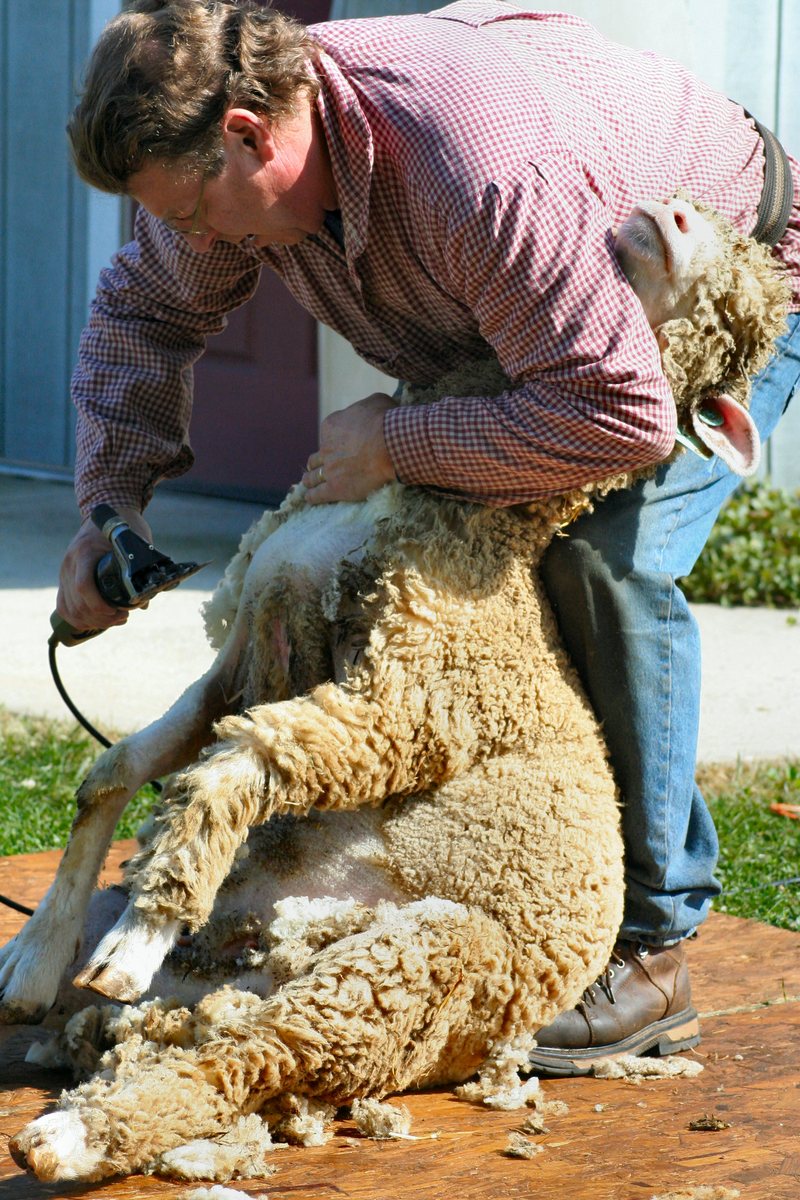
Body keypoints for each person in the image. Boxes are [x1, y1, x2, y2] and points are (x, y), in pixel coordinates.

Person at [57, 0, 800, 1073]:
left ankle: (649, 946)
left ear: (250, 134)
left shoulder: (475, 170)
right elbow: (145, 317)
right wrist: (105, 507)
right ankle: (347, 871)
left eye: (198, 218)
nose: (198, 245)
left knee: (600, 561)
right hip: (528, 329)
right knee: (400, 572)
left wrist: (401, 442)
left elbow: (614, 411)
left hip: (725, 282)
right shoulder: (233, 179)